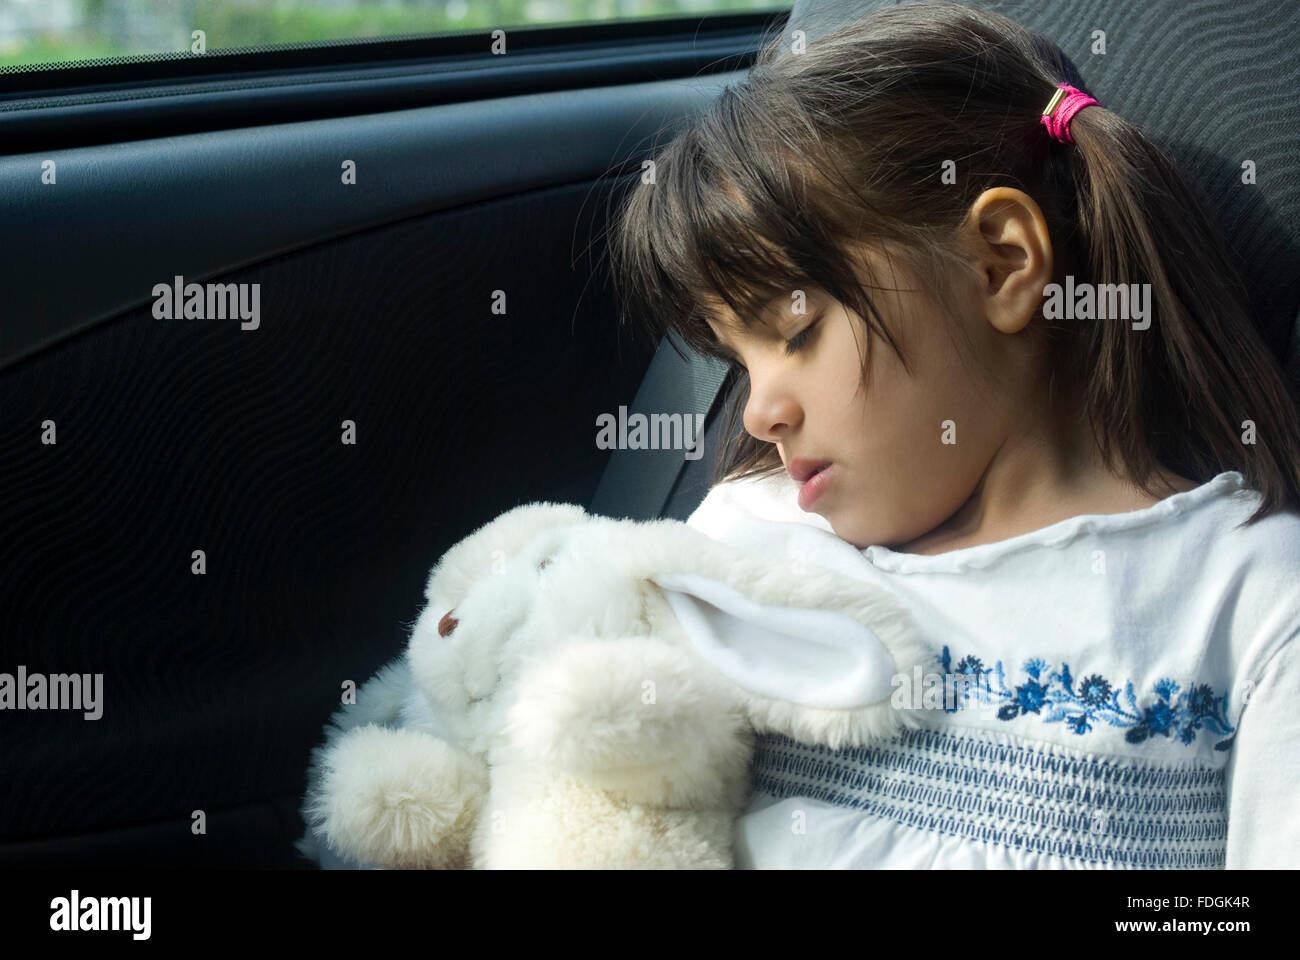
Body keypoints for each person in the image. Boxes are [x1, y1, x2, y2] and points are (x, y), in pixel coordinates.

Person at [609, 0, 1300, 868]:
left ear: (1002, 265)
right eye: (736, 360)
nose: (756, 413)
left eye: (795, 332)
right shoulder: (746, 541)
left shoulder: (1246, 600)